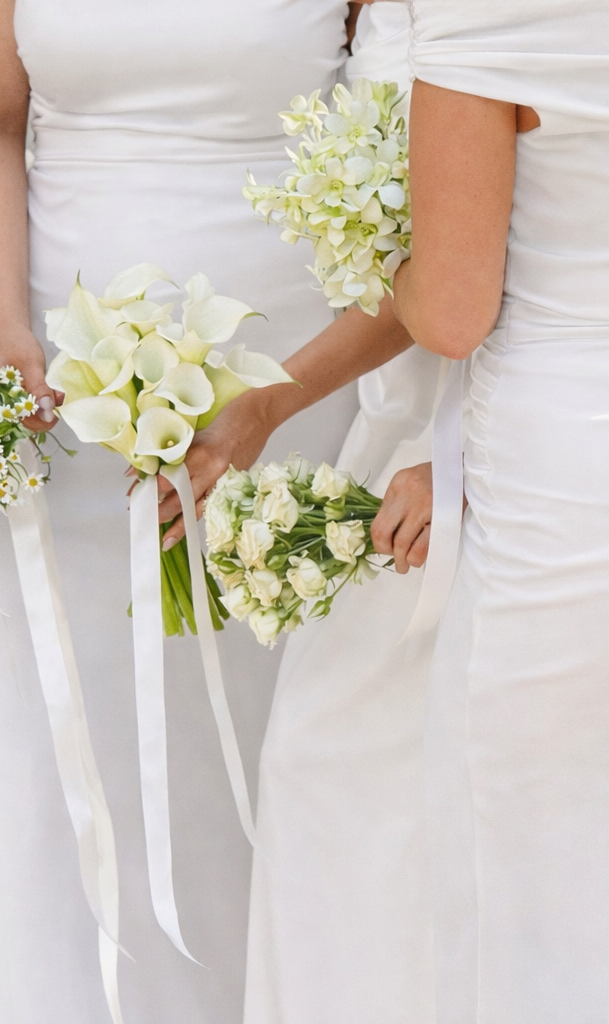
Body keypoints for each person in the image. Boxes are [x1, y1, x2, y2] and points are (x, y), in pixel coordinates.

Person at [0, 1, 424, 1020]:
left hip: (284, 385)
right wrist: (3, 329)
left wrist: (279, 397)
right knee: (69, 743)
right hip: (65, 382)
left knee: (259, 742)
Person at [390, 1, 609, 1020]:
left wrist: (389, 260)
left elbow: (455, 309)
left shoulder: (485, 14)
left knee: (538, 879)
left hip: (569, 474)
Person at [163, 6, 441, 1021]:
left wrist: (461, 463)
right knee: (339, 786)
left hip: (487, 440)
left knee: (380, 782)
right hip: (399, 422)